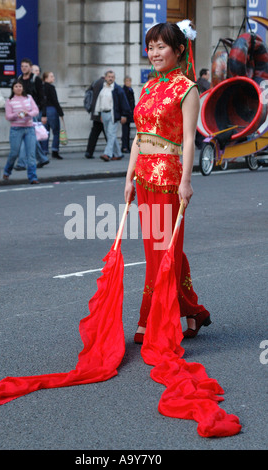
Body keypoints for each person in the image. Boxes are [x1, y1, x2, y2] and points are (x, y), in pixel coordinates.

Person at [124, 22, 210, 344]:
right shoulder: (147, 88)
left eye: (162, 46)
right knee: (157, 249)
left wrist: (186, 181)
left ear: (178, 50)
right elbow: (139, 136)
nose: (155, 53)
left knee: (165, 250)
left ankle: (152, 317)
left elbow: (190, 140)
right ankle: (190, 312)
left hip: (169, 180)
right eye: (151, 47)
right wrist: (129, 176)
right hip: (144, 177)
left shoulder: (187, 89)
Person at [15, 58, 49, 170]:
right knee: (30, 137)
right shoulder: (19, 79)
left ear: (30, 67)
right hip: (22, 112)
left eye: (26, 66)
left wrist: (43, 114)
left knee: (26, 136)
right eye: (22, 66)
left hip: (33, 112)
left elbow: (42, 97)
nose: (24, 68)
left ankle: (21, 163)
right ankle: (42, 158)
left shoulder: (36, 80)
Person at [3, 79, 39, 184]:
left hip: (29, 128)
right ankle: (7, 171)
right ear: (13, 89)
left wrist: (27, 113)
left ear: (23, 88)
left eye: (20, 86)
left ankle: (33, 177)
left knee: (31, 154)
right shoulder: (9, 101)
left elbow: (36, 110)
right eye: (16, 86)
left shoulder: (29, 98)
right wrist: (16, 114)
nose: (18, 88)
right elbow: (8, 116)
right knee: (14, 153)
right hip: (16, 129)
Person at [94, 70, 130, 161]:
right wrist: (99, 113)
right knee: (110, 135)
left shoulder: (117, 89)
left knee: (111, 134)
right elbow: (100, 101)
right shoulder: (103, 88)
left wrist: (124, 115)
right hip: (104, 113)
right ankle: (118, 154)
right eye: (109, 76)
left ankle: (107, 154)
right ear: (105, 77)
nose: (111, 78)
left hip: (113, 114)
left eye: (112, 77)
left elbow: (123, 102)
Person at [42, 71, 64, 160]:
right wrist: (60, 112)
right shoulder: (51, 87)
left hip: (43, 111)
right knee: (56, 131)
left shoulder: (41, 87)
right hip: (51, 109)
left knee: (45, 132)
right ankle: (55, 150)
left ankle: (44, 151)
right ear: (46, 78)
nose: (53, 78)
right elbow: (55, 100)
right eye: (51, 76)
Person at [84, 76, 107, 159]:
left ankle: (89, 152)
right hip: (103, 112)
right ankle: (112, 152)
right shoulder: (105, 84)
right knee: (109, 134)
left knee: (94, 134)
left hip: (95, 112)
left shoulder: (95, 83)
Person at [121, 76, 135, 153]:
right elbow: (124, 103)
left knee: (127, 131)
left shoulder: (130, 90)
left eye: (129, 81)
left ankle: (127, 146)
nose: (128, 83)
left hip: (130, 112)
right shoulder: (124, 90)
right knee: (125, 131)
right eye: (127, 81)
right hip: (126, 113)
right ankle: (124, 146)